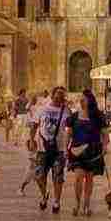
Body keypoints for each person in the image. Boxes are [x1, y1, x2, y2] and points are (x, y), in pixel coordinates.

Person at [66, 89, 108, 217]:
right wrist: (65, 147)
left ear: (90, 100)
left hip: (93, 151)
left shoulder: (98, 116)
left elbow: (105, 134)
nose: (81, 101)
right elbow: (69, 134)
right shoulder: (74, 116)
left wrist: (105, 146)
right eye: (81, 99)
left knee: (89, 178)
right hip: (77, 151)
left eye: (83, 99)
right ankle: (77, 204)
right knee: (78, 177)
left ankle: (87, 204)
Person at [33, 86, 70, 214]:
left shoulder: (67, 111)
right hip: (42, 148)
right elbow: (34, 124)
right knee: (38, 175)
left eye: (63, 95)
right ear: (53, 94)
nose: (60, 96)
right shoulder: (42, 109)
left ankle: (56, 201)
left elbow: (71, 128)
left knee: (58, 177)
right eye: (58, 94)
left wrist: (69, 145)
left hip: (59, 149)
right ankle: (44, 195)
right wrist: (31, 139)